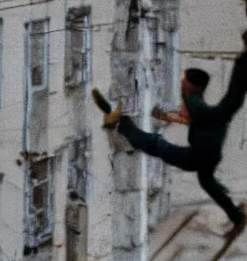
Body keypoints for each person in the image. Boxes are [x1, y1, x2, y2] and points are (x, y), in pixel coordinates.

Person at [92, 45, 247, 238]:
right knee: (207, 181)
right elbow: (187, 117)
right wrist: (166, 116)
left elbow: (189, 112)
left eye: (184, 81)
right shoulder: (199, 106)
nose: (181, 83)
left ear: (193, 86)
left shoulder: (194, 103)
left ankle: (120, 121)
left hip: (198, 156)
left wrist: (170, 109)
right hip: (209, 153)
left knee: (157, 144)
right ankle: (237, 216)